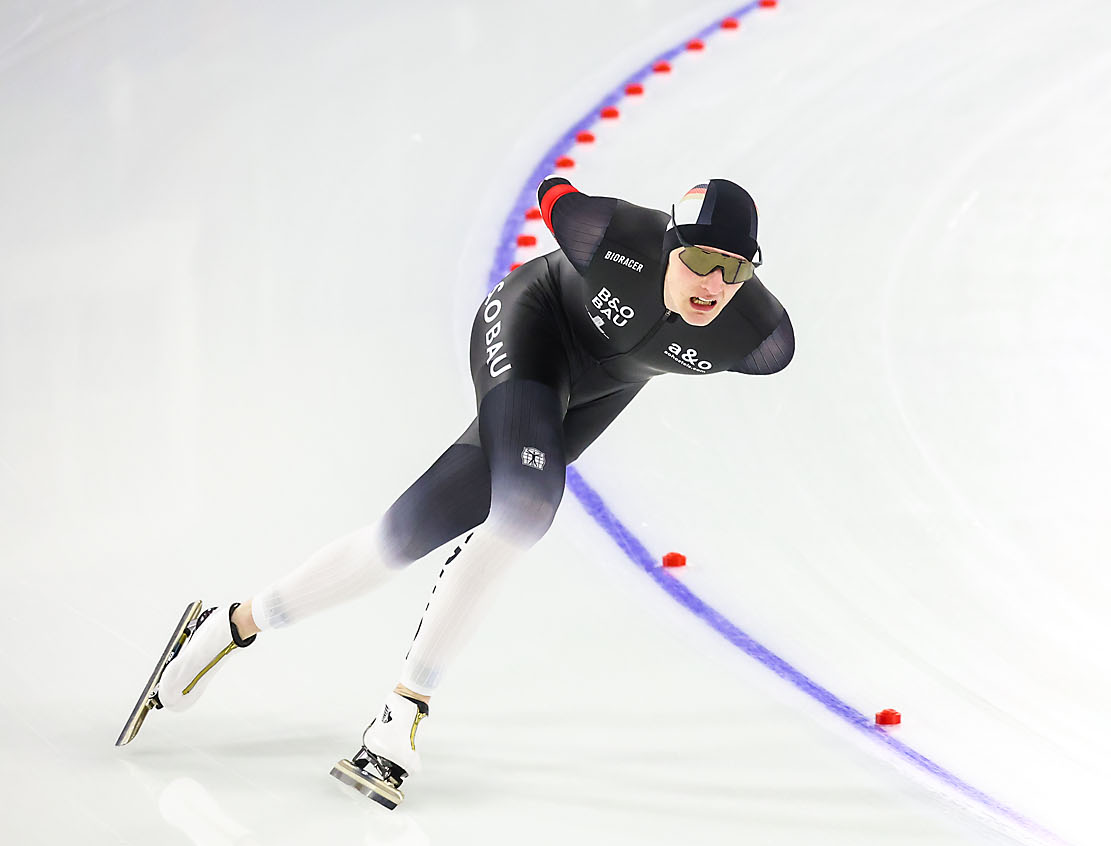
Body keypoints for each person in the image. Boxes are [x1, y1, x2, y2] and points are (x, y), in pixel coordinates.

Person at [128, 176, 795, 807]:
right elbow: (553, 194)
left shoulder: (760, 335)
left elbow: (772, 350)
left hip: (600, 391)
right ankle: (403, 713)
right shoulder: (613, 233)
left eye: (735, 269)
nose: (714, 284)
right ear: (669, 244)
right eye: (700, 260)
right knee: (525, 511)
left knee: (395, 541)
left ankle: (229, 625)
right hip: (531, 324)